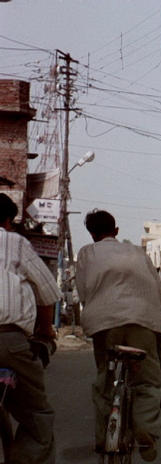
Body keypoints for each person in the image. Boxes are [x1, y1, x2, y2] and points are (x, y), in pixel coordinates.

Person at [76, 210, 161, 462]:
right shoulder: (138, 253)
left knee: (105, 384)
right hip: (142, 320)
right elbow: (158, 288)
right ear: (116, 231)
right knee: (148, 382)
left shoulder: (87, 252)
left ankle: (102, 439)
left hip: (103, 324)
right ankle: (146, 431)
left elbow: (83, 291)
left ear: (91, 233)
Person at [0, 193, 61, 464]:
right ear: (8, 221)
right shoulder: (15, 242)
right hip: (9, 341)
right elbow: (48, 292)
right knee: (37, 414)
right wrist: (45, 331)